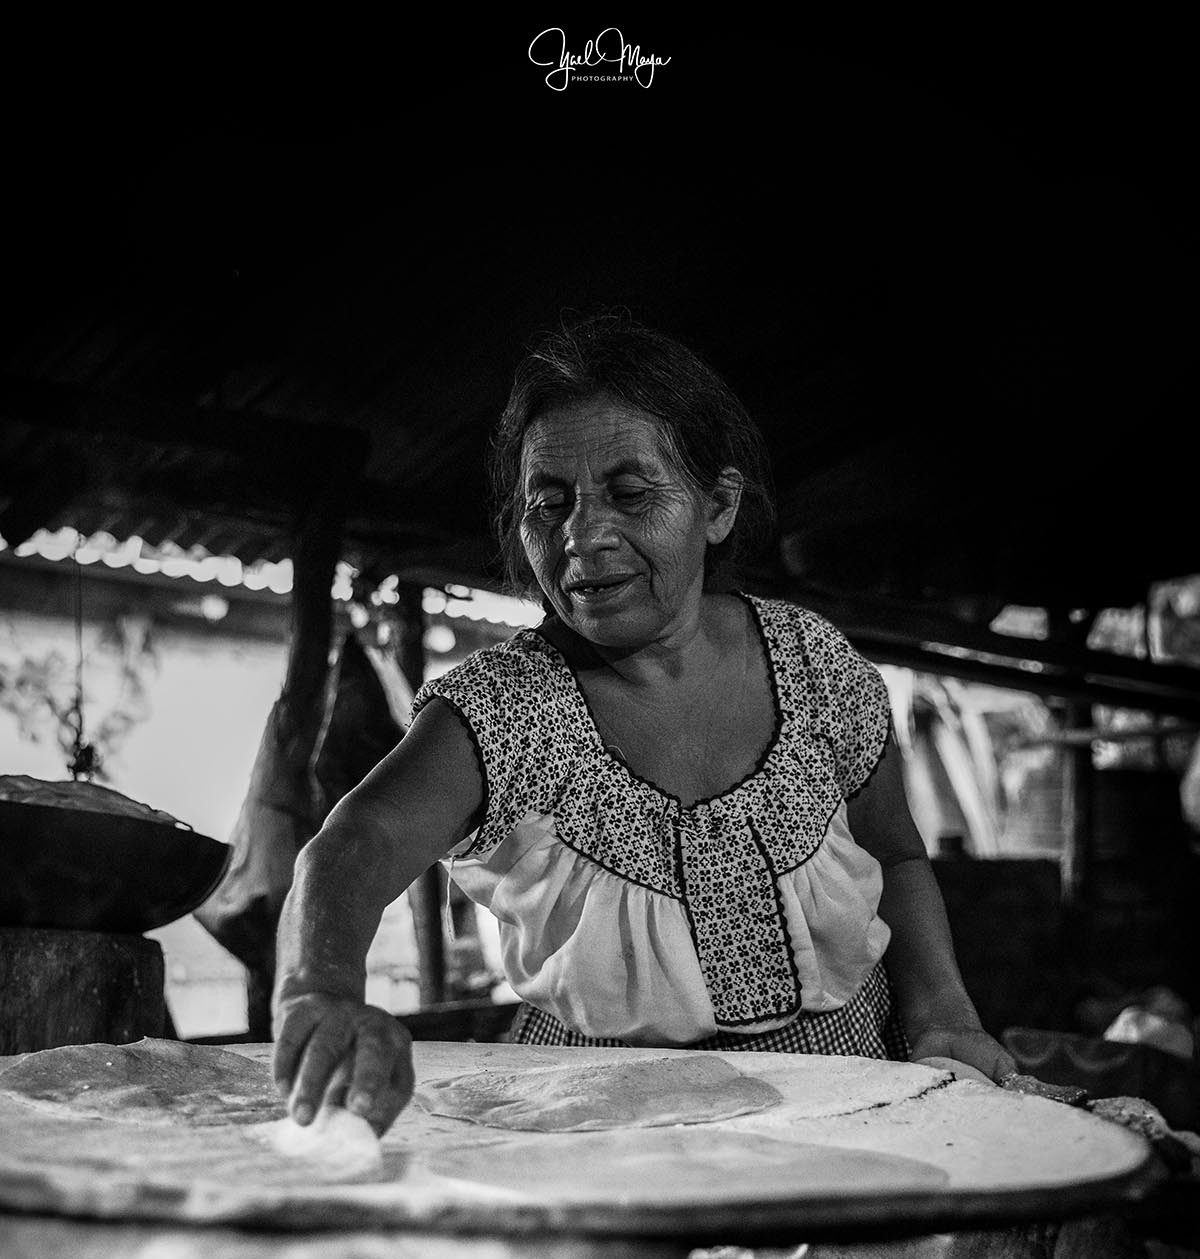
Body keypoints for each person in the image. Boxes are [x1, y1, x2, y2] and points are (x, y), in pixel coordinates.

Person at [273, 314, 1015, 1132]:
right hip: (603, 1127)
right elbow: (354, 845)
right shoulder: (502, 709)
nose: (583, 536)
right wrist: (318, 989)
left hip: (853, 1094)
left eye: (630, 495)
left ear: (718, 505)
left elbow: (898, 855)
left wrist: (946, 1020)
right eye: (547, 506)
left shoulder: (816, 666)